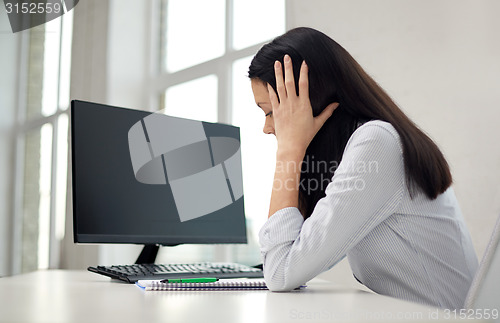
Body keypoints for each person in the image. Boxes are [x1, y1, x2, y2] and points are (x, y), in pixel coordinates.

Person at [248, 27, 478, 309]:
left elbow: (281, 272)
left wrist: (289, 151)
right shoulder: (355, 149)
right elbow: (285, 260)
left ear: (310, 100)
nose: (267, 127)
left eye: (272, 112)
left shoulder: (378, 143)